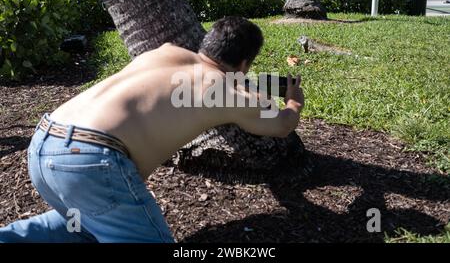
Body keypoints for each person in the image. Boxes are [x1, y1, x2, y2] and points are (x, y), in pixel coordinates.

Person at [0, 17, 304, 243]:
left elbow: (204, 79)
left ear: (207, 44)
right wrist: (294, 101)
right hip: (89, 161)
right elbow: (282, 126)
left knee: (78, 225)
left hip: (45, 143)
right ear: (244, 63)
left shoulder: (165, 53)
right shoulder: (234, 94)